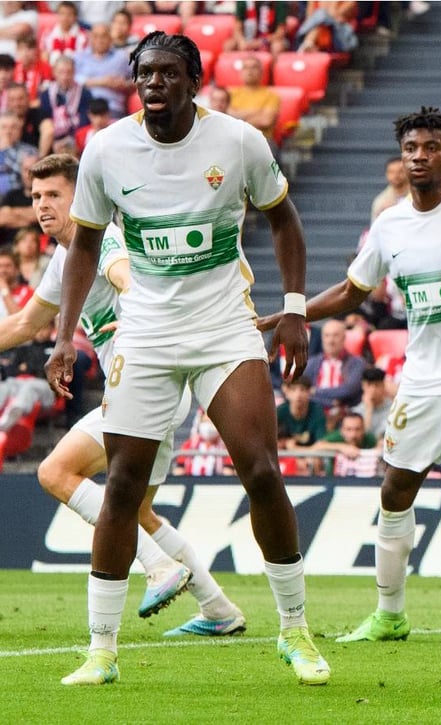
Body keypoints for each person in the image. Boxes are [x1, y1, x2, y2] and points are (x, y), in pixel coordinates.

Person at [45, 32, 328, 686]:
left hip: (223, 324)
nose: (155, 84)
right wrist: (64, 336)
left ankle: (295, 630)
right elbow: (84, 246)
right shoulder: (109, 149)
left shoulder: (237, 142)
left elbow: (284, 220)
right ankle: (101, 649)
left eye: (169, 73)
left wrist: (294, 308)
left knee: (260, 468)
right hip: (144, 331)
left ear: (195, 81)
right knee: (122, 485)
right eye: (145, 73)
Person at [259, 106, 441, 649]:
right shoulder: (390, 222)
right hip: (422, 379)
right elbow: (351, 291)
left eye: (430, 148)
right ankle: (389, 613)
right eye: (411, 148)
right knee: (394, 489)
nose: (419, 156)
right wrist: (288, 313)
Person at [0, 152, 246, 642]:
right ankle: (219, 609)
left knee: (55, 472)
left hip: (144, 386)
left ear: (83, 196)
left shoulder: (107, 239)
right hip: (148, 389)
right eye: (36, 197)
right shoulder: (66, 257)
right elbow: (26, 323)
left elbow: (124, 272)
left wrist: (137, 306)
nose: (42, 206)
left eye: (54, 195)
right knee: (138, 511)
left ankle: (157, 568)